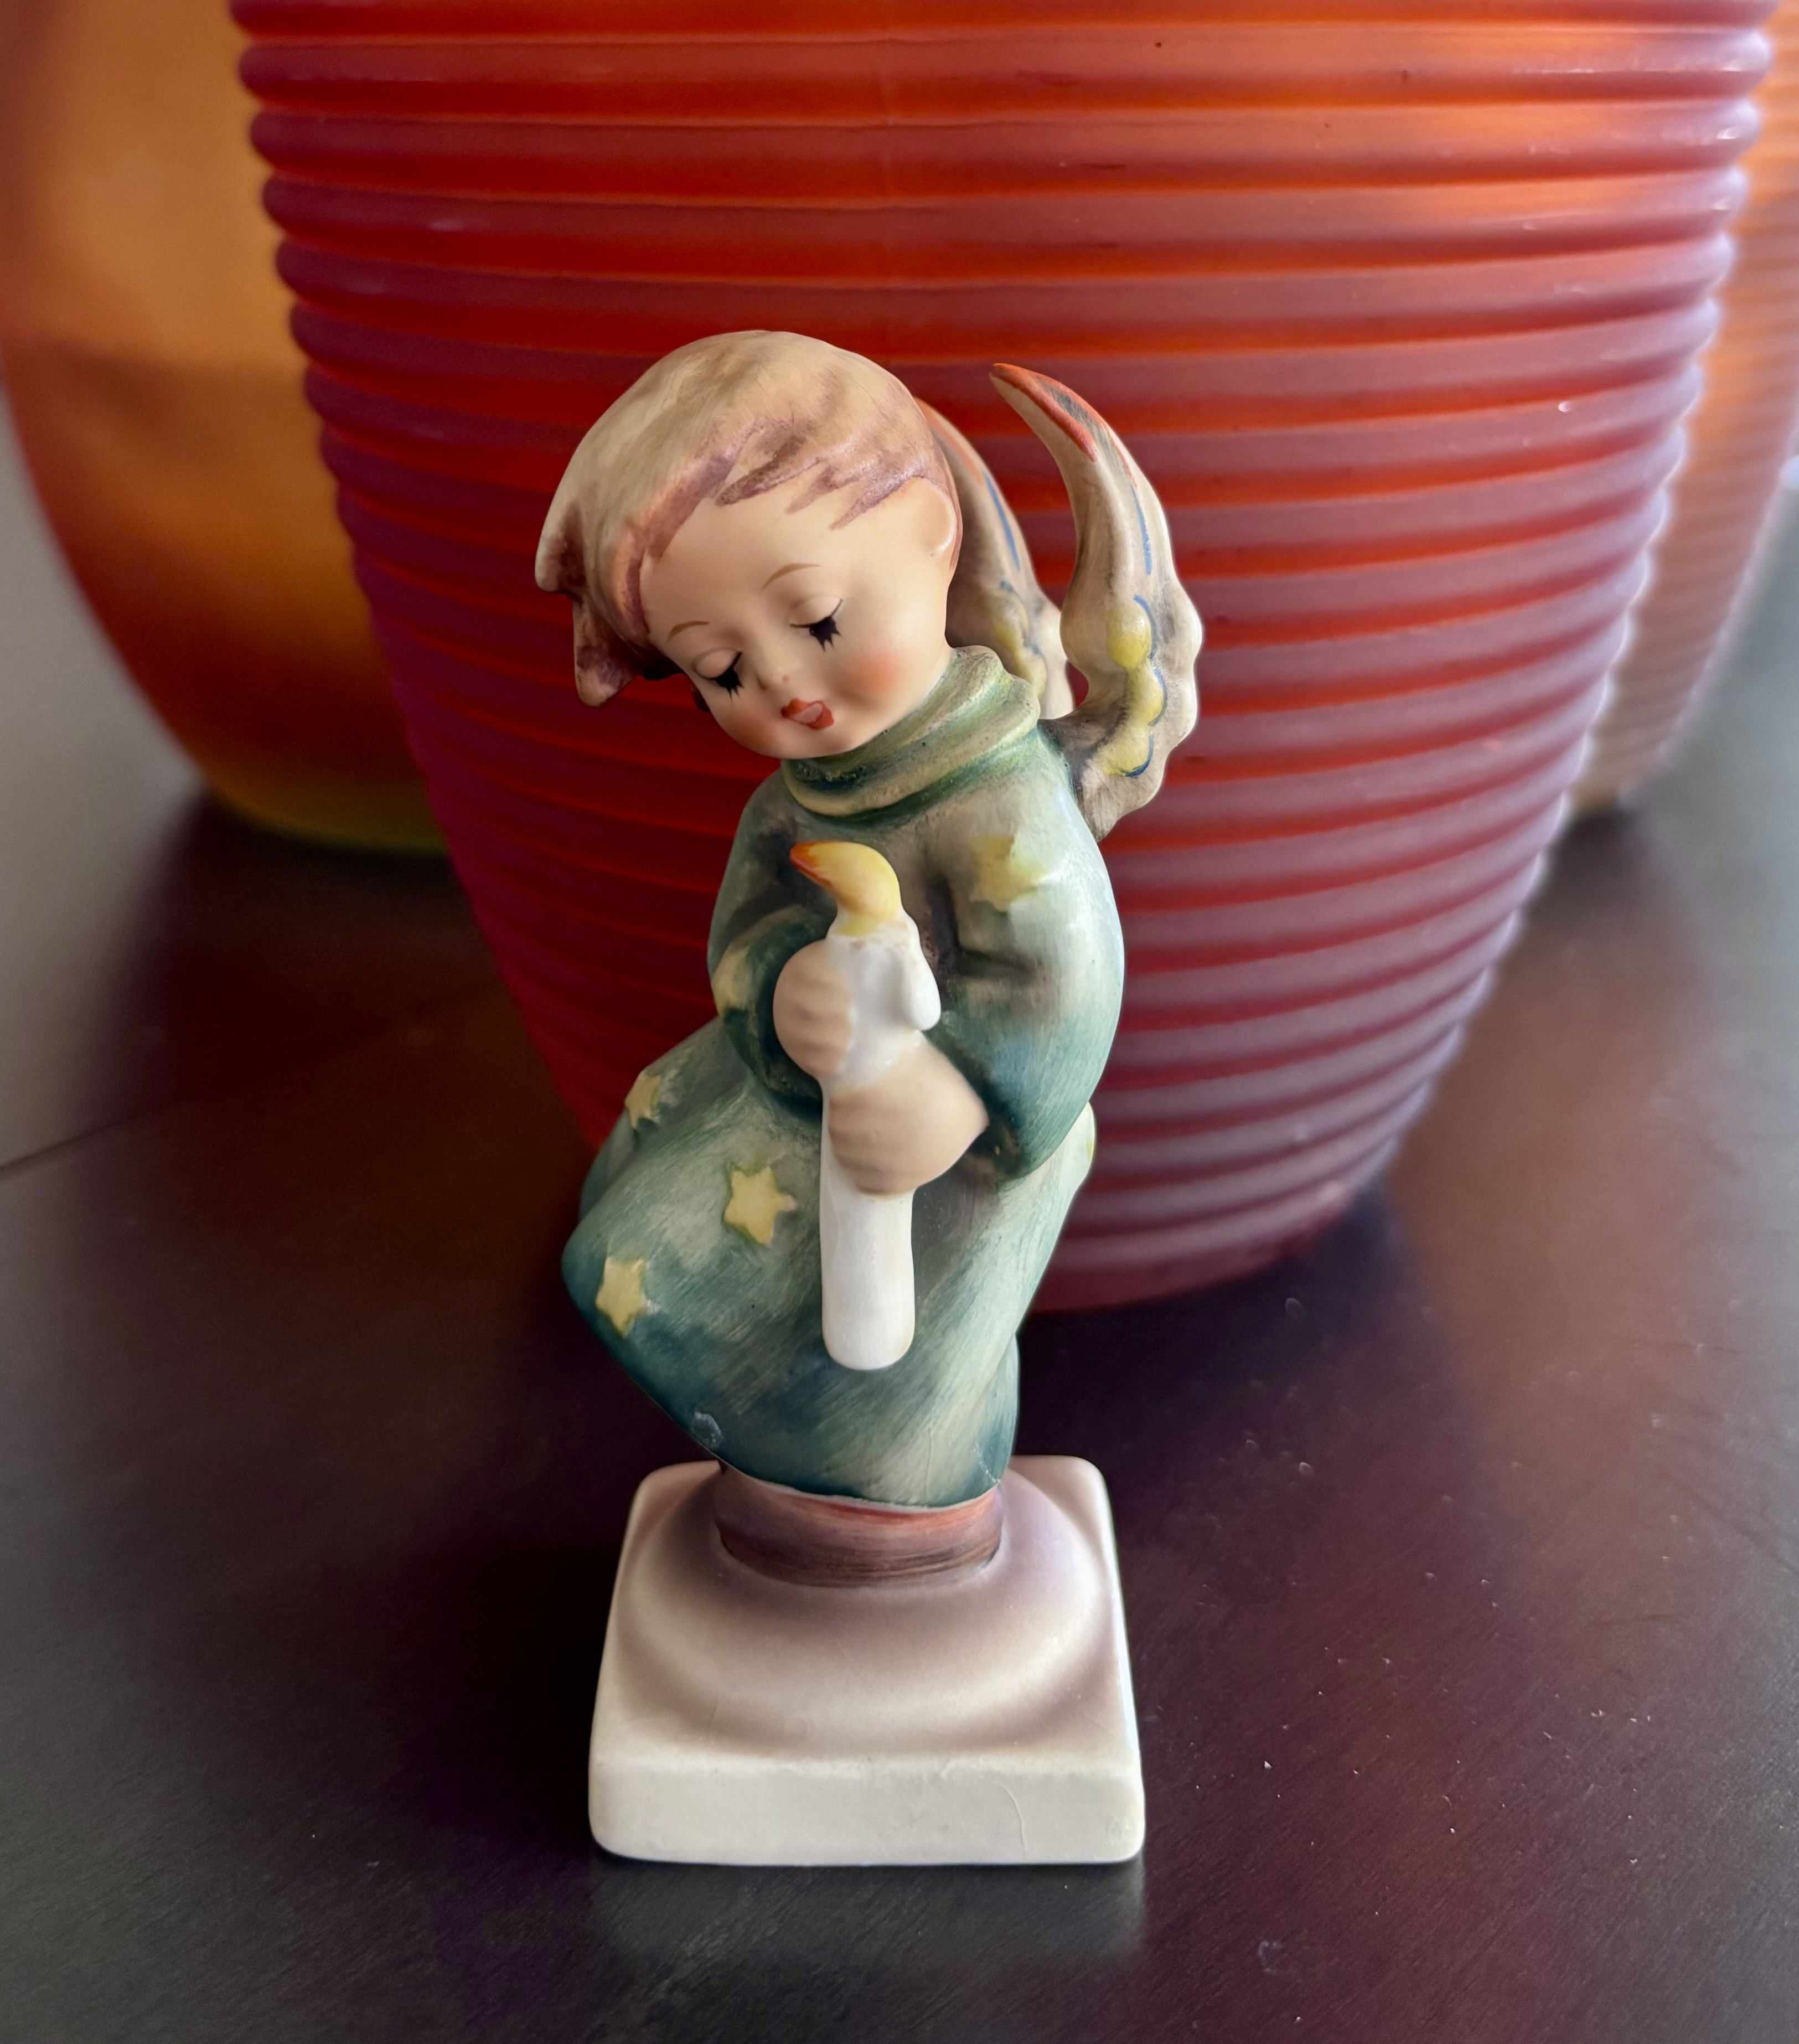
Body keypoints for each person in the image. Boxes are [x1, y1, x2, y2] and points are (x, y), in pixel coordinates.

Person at [535, 329, 1197, 1509]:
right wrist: (780, 985)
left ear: (931, 538)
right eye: (723, 671)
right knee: (676, 1266)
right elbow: (748, 928)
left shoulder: (1001, 801)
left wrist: (957, 1093)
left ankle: (892, 1520)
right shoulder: (791, 802)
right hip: (791, 1111)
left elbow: (1061, 977)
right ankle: (790, 1505)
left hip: (943, 1155)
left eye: (819, 621)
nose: (786, 685)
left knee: (880, 1391)